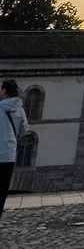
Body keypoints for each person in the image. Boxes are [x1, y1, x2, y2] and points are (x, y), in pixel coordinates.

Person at [0, 79, 31, 219]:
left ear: (4, 91)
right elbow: (24, 130)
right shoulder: (20, 110)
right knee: (3, 187)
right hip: (9, 155)